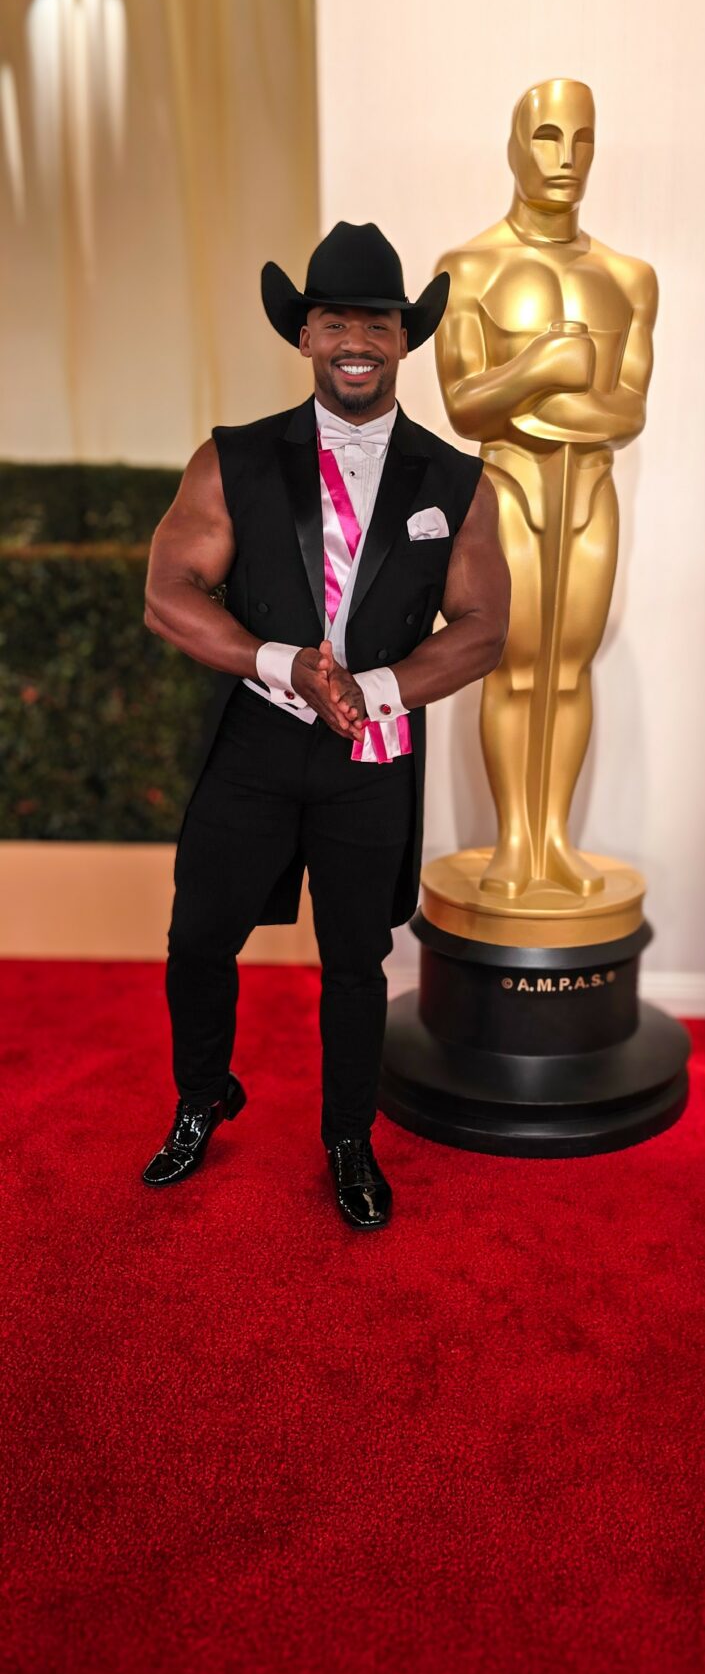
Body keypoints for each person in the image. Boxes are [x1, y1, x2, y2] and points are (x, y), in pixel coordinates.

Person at [140, 221, 510, 1230]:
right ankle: (200, 1095)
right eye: (335, 318)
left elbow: (484, 626)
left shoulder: (455, 479)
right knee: (198, 936)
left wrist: (375, 687)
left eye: (378, 321)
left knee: (355, 959)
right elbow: (168, 590)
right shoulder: (236, 457)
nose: (357, 337)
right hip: (256, 741)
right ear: (304, 335)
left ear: (404, 338)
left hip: (372, 752)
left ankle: (349, 1137)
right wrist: (282, 664)